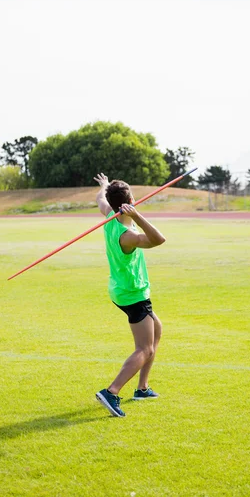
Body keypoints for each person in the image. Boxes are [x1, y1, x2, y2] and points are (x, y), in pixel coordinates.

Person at [94, 173, 166, 417]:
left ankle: (142, 388)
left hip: (122, 289)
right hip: (133, 294)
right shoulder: (128, 237)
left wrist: (104, 186)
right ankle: (111, 392)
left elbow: (100, 199)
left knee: (157, 330)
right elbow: (159, 240)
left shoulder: (109, 215)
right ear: (131, 201)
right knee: (144, 348)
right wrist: (137, 216)